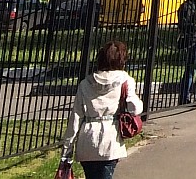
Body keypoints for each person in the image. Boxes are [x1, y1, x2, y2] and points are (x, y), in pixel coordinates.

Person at [59, 40, 143, 179]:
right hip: (109, 140)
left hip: (86, 142)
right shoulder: (125, 80)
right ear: (121, 60)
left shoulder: (85, 83)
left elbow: (75, 119)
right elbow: (135, 109)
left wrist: (66, 152)